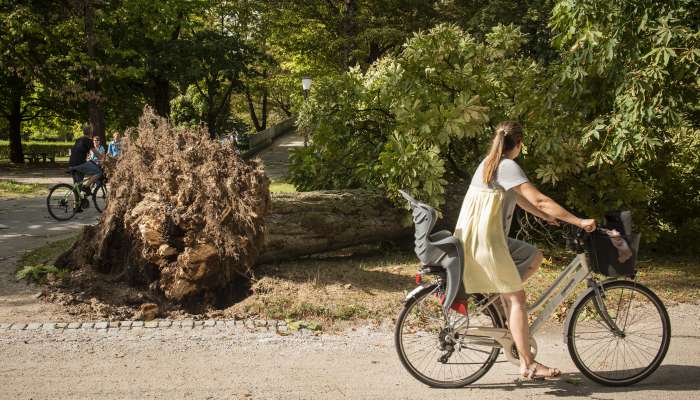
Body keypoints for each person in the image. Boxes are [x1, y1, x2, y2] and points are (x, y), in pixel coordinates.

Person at [453, 121, 596, 380]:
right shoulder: (506, 166)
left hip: (481, 239)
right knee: (517, 299)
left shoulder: (490, 162)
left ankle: (502, 303)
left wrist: (546, 216)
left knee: (533, 256)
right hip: (488, 242)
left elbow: (520, 199)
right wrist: (578, 221)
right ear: (518, 144)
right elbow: (539, 198)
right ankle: (527, 363)